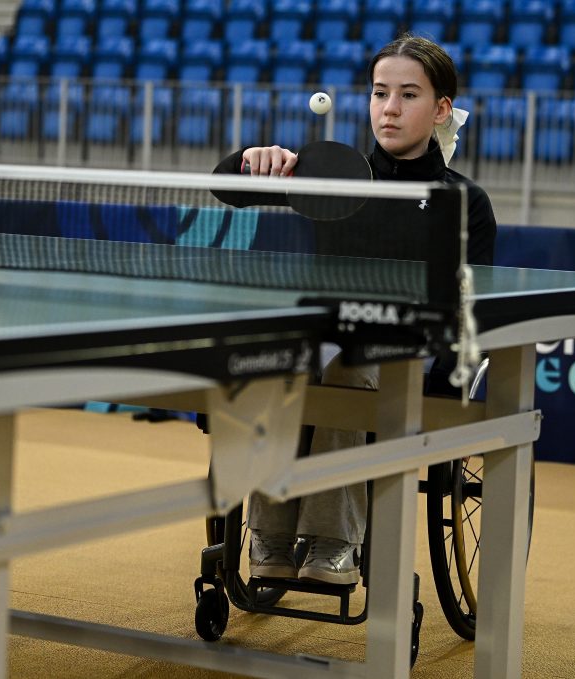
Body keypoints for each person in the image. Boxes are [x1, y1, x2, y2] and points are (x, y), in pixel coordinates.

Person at [211, 34, 498, 586]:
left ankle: (333, 541)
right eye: (379, 93)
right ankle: (270, 534)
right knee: (277, 359)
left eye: (408, 95)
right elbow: (228, 191)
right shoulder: (335, 180)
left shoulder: (463, 201)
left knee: (349, 367)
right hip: (325, 342)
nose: (389, 109)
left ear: (440, 108)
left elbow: (474, 308)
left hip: (409, 356)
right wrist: (252, 161)